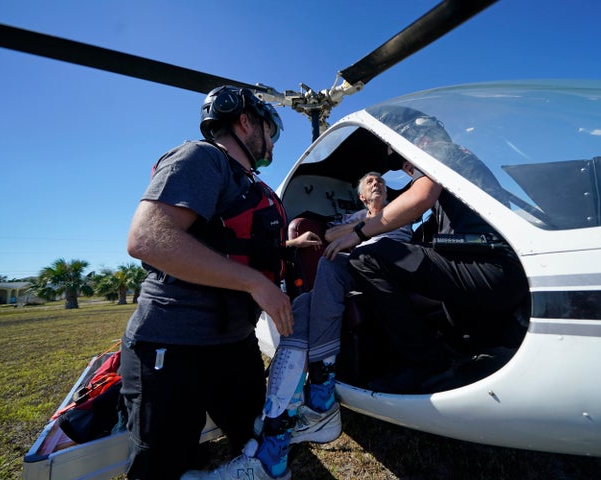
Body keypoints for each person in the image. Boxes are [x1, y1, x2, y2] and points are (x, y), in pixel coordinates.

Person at [119, 86, 322, 480]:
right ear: (246, 122)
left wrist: (286, 247)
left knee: (256, 441)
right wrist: (256, 284)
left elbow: (230, 242)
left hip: (233, 343)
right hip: (175, 343)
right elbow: (147, 238)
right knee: (161, 465)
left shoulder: (248, 183)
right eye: (271, 131)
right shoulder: (200, 158)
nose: (273, 143)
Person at [183, 171, 413, 480]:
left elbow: (390, 224)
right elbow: (330, 236)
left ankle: (300, 422)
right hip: (361, 271)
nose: (377, 183)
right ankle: (285, 435)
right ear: (360, 196)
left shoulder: (402, 205)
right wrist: (361, 226)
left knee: (327, 273)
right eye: (370, 181)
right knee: (303, 303)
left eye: (380, 180)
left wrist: (362, 230)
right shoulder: (356, 216)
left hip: (396, 266)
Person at [324, 106, 529, 394]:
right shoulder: (461, 162)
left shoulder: (440, 152)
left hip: (488, 268)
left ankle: (428, 365)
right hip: (496, 266)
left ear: (418, 141)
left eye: (405, 159)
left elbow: (419, 197)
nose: (408, 168)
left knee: (366, 257)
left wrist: (359, 234)